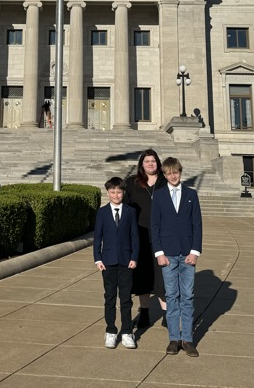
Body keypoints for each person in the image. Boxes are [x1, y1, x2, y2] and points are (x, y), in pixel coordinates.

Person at [151, 157, 203, 357]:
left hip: (187, 253)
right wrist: (159, 253)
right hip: (168, 254)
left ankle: (187, 339)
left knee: (187, 297)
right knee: (172, 296)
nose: (173, 176)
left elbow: (197, 225)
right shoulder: (160, 195)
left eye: (176, 172)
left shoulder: (191, 194)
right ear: (164, 175)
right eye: (169, 173)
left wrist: (195, 252)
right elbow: (155, 226)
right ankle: (174, 339)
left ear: (180, 172)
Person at [93, 176, 140, 349]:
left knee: (126, 299)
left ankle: (127, 332)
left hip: (127, 261)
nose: (116, 195)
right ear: (107, 193)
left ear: (124, 192)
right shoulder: (102, 213)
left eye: (119, 192)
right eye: (112, 192)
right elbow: (98, 237)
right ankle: (111, 331)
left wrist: (134, 257)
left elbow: (135, 237)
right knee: (110, 297)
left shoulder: (130, 211)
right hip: (108, 261)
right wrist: (97, 258)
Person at [124, 148, 167, 328]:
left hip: (162, 236)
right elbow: (126, 209)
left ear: (158, 163)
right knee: (142, 277)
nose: (151, 164)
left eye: (154, 161)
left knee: (163, 277)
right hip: (140, 235)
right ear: (141, 164)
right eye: (147, 161)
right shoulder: (132, 183)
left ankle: (167, 315)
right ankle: (145, 313)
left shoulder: (166, 183)